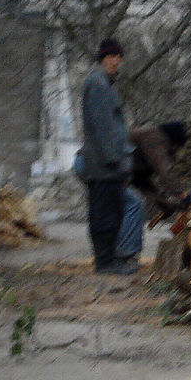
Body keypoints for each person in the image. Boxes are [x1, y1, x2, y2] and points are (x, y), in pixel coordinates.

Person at [79, 38, 134, 274]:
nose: (117, 61)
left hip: (109, 162)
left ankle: (110, 257)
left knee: (114, 211)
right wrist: (113, 157)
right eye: (112, 57)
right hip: (104, 164)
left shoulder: (104, 83)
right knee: (104, 214)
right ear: (103, 58)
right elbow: (102, 126)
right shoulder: (98, 83)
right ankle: (104, 261)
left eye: (119, 57)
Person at [114, 122, 191, 267]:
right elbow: (165, 171)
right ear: (173, 140)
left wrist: (163, 201)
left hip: (100, 166)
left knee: (122, 207)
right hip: (98, 166)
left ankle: (115, 256)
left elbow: (141, 181)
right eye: (176, 147)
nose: (175, 152)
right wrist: (182, 194)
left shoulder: (145, 145)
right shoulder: (155, 138)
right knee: (133, 205)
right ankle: (126, 257)